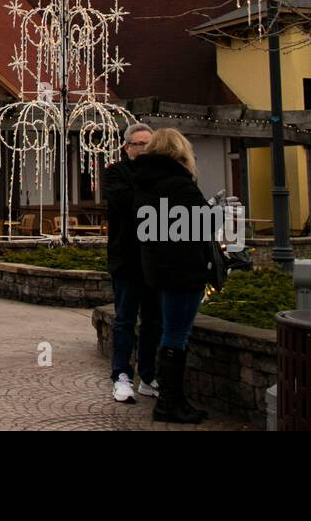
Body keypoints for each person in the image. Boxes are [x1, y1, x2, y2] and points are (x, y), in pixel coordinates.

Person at [133, 127, 213, 424]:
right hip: (184, 270)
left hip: (157, 268)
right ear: (180, 152)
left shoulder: (143, 182)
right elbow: (203, 225)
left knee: (169, 330)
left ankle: (170, 399)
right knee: (176, 334)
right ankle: (170, 403)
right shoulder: (180, 185)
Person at [102, 122, 161, 404]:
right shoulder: (116, 174)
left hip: (155, 260)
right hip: (126, 259)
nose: (145, 150)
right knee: (124, 319)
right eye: (139, 145)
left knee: (152, 321)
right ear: (127, 148)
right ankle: (121, 375)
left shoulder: (161, 175)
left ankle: (148, 376)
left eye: (150, 145)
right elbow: (128, 203)